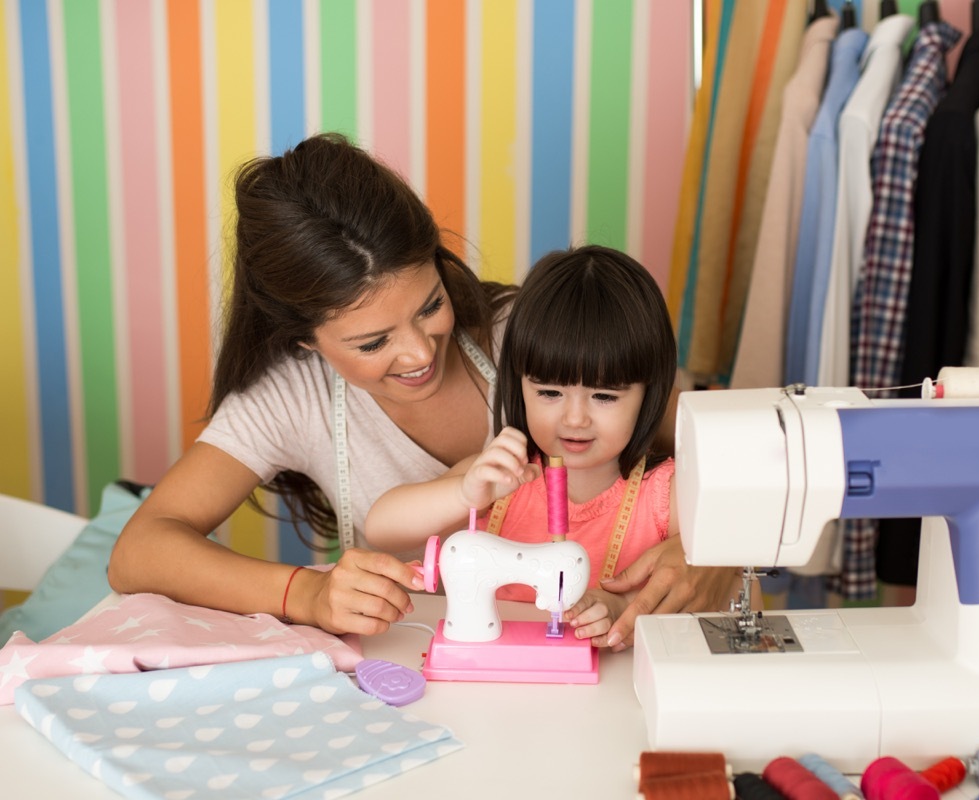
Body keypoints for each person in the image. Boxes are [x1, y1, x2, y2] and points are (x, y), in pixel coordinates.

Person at [108, 134, 735, 640]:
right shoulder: (291, 398)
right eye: (372, 342)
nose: (419, 352)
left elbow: (736, 468)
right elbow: (139, 551)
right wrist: (307, 592)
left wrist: (716, 555)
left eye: (431, 306)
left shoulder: (541, 345)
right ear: (305, 341)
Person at [366, 245, 744, 646]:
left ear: (649, 394)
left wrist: (624, 606)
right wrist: (463, 493)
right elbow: (381, 528)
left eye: (604, 397)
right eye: (549, 392)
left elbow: (727, 583)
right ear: (518, 385)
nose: (575, 418)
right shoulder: (500, 478)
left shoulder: (668, 496)